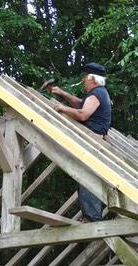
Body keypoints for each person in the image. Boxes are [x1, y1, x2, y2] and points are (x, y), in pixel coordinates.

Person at [51, 62, 111, 222]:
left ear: (92, 79)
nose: (83, 81)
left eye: (85, 78)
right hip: (94, 138)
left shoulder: (97, 93)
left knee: (87, 176)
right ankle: (91, 216)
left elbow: (83, 113)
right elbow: (80, 104)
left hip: (92, 139)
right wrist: (62, 93)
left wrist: (63, 109)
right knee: (87, 175)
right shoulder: (98, 93)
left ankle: (92, 218)